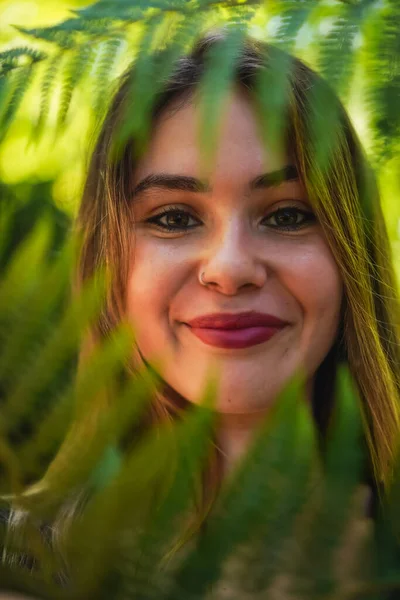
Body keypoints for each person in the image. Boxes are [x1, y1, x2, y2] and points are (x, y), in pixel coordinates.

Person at [2, 29, 400, 594]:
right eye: (173, 218)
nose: (230, 267)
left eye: (287, 215)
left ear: (350, 256)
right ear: (107, 268)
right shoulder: (16, 563)